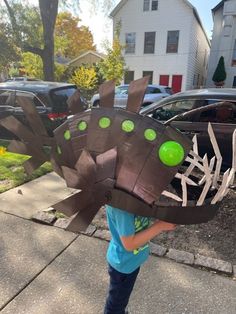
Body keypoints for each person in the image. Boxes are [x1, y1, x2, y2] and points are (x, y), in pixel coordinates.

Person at [104, 205, 176, 314]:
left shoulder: (133, 199)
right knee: (115, 305)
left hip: (130, 261)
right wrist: (159, 226)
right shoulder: (122, 208)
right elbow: (130, 244)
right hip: (124, 265)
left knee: (121, 300)